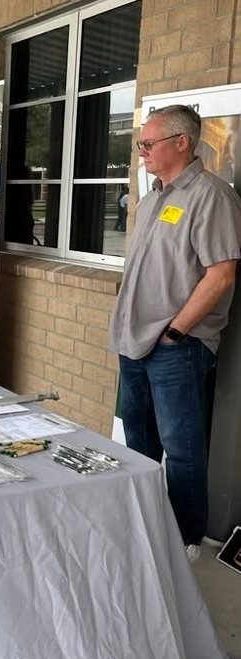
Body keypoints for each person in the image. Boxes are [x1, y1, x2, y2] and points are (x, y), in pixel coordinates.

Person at [108, 104, 241, 561]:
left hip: (175, 347)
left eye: (148, 143)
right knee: (138, 438)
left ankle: (185, 540)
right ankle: (144, 517)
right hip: (133, 340)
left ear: (181, 143)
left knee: (180, 448)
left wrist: (178, 332)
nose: (140, 151)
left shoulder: (211, 196)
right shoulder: (151, 200)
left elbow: (221, 274)